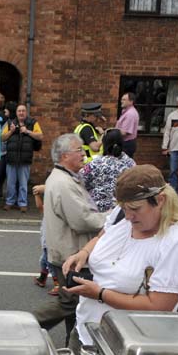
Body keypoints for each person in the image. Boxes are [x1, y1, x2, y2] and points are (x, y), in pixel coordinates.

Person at [62, 165, 178, 355]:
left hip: (130, 348)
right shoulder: (122, 216)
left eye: (135, 209)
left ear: (161, 200)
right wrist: (83, 253)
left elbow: (159, 307)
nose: (128, 216)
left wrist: (100, 294)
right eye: (124, 208)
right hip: (87, 331)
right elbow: (103, 235)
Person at [32, 134, 106, 343]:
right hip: (71, 254)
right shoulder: (63, 182)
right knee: (72, 303)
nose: (84, 154)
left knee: (75, 309)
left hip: (67, 252)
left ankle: (72, 346)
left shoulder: (64, 177)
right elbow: (82, 220)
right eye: (79, 150)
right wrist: (110, 217)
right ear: (65, 156)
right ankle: (24, 325)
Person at [81, 128, 136, 212]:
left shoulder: (96, 163)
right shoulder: (131, 164)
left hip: (96, 211)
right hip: (121, 211)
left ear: (104, 143)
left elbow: (81, 181)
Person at [1, 104, 43, 213]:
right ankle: (9, 202)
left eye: (23, 111)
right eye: (19, 111)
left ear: (26, 112)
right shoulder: (10, 123)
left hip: (25, 158)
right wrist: (11, 131)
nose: (21, 113)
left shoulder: (33, 123)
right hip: (11, 158)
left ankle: (22, 203)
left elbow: (40, 136)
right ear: (16, 113)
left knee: (23, 183)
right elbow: (2, 138)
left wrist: (27, 131)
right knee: (10, 183)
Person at [115, 92, 139, 157]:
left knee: (125, 166)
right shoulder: (126, 112)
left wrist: (110, 132)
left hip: (126, 144)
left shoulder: (130, 114)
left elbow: (125, 132)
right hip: (126, 143)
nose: (121, 101)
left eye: (124, 100)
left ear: (131, 102)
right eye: (121, 99)